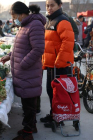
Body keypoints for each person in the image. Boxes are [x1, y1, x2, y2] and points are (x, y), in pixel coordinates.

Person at [0, 2, 46, 140]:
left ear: (21, 13)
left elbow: (38, 49)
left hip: (28, 71)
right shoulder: (24, 25)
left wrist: (23, 63)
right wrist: (10, 56)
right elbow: (21, 47)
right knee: (27, 104)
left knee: (29, 104)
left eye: (14, 15)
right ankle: (31, 127)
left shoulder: (35, 25)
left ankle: (27, 134)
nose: (14, 19)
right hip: (25, 72)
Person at [40, 0, 74, 128]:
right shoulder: (50, 21)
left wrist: (59, 62)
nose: (49, 8)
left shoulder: (62, 21)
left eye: (52, 5)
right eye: (47, 5)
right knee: (50, 91)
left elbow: (68, 43)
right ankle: (53, 114)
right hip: (51, 65)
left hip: (59, 66)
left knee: (57, 93)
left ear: (60, 5)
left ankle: (58, 119)